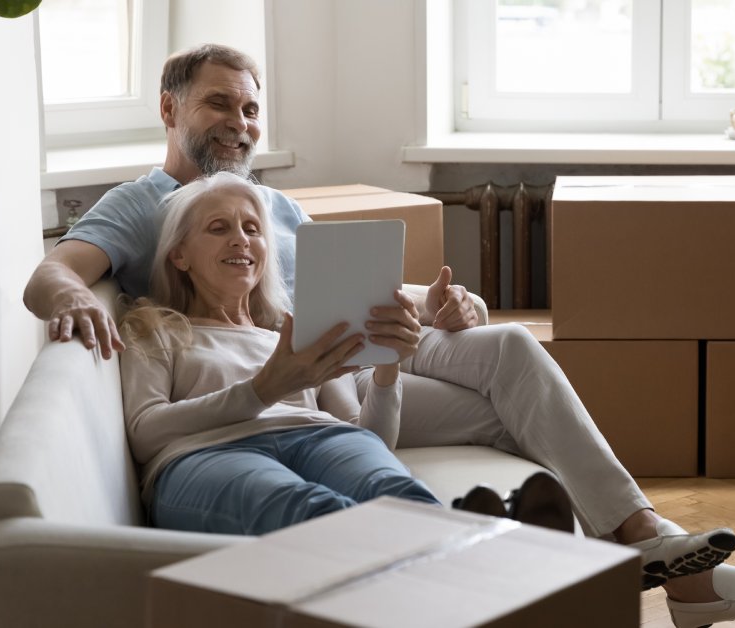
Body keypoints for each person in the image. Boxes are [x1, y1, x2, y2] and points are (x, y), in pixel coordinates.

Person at [22, 43, 735, 626]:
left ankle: (652, 542)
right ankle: (624, 575)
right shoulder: (145, 204)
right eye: (219, 104)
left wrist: (440, 302)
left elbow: (327, 279)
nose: (240, 123)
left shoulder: (276, 207)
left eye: (251, 109)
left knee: (509, 351)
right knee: (510, 419)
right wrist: (72, 298)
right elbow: (54, 271)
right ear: (170, 110)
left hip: (350, 350)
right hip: (293, 374)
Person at [119, 171, 574, 535]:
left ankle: (478, 554)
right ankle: (491, 553)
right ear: (179, 256)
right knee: (310, 510)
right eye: (219, 229)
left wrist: (388, 367)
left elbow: (371, 433)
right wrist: (262, 390)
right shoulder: (154, 326)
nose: (241, 239)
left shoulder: (300, 327)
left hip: (323, 438)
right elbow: (144, 431)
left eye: (252, 228)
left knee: (392, 489)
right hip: (208, 454)